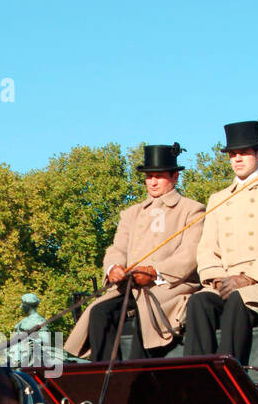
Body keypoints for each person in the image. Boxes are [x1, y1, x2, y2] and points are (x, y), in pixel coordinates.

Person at [65, 143, 205, 360]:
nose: (153, 182)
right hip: (129, 287)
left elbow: (189, 256)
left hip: (169, 287)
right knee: (99, 312)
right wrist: (113, 268)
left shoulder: (192, 209)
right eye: (149, 177)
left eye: (159, 176)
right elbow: (117, 248)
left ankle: (138, 379)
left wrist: (154, 273)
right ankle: (104, 375)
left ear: (175, 177)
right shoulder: (131, 213)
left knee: (145, 314)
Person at [183, 119, 258, 364]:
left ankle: (229, 375)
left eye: (244, 153)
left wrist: (248, 278)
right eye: (232, 154)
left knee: (239, 299)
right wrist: (216, 278)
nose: (237, 159)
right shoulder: (218, 198)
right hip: (223, 283)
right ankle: (197, 374)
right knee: (198, 301)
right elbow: (206, 249)